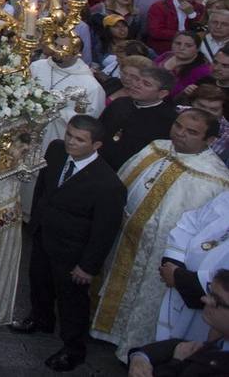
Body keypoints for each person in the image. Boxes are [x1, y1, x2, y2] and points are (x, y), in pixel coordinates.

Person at [91, 109, 229, 360]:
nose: (180, 134)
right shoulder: (156, 147)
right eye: (178, 126)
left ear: (209, 140)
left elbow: (198, 224)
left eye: (192, 132)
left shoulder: (214, 178)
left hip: (159, 254)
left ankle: (134, 345)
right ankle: (101, 328)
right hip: (123, 237)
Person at [10, 116, 125, 372]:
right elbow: (43, 188)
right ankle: (40, 319)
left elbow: (104, 230)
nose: (71, 142)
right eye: (70, 135)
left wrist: (88, 266)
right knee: (38, 281)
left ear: (96, 145)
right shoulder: (55, 149)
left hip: (73, 251)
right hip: (43, 237)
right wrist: (35, 223)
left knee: (71, 302)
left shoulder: (108, 185)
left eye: (79, 139)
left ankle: (73, 349)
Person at [155, 190, 229, 344]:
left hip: (213, 310)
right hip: (180, 276)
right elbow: (191, 221)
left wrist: (180, 278)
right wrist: (175, 261)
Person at [128, 268, 229, 377]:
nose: (204, 299)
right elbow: (180, 346)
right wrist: (141, 358)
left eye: (216, 300)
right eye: (209, 292)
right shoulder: (221, 341)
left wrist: (175, 363)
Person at [100, 66, 181, 169]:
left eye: (146, 84)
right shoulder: (120, 103)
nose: (137, 85)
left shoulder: (168, 121)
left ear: (162, 93)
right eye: (138, 80)